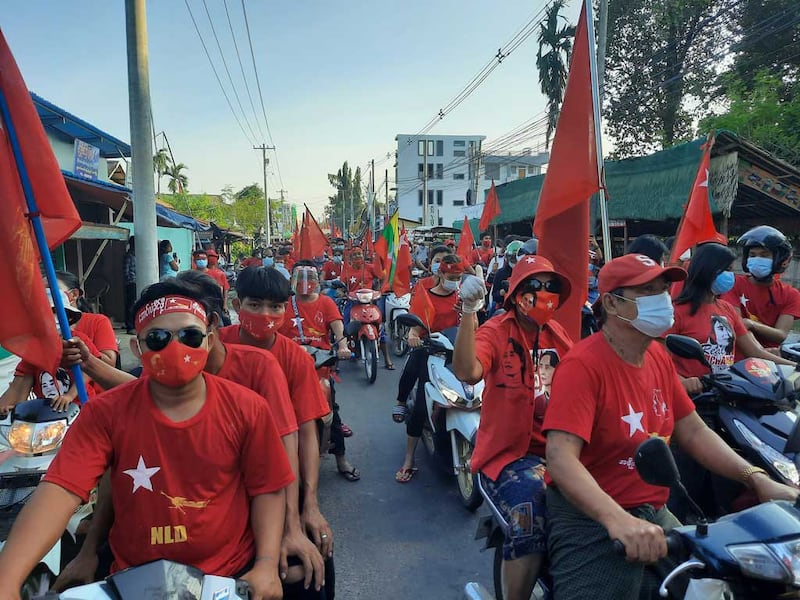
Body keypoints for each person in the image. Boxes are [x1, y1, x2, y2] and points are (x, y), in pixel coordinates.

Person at [0, 281, 294, 600]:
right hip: (132, 580)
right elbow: (59, 489)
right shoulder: (104, 413)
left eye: (190, 336)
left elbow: (267, 488)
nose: (175, 347)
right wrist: (8, 579)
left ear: (209, 342)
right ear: (138, 349)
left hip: (226, 579)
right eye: (158, 338)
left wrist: (265, 563)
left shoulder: (246, 408)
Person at [542, 253, 798, 599]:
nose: (662, 300)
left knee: (719, 580)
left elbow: (692, 430)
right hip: (591, 517)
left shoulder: (658, 357)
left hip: (653, 511)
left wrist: (757, 479)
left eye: (663, 289)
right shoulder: (583, 366)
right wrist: (617, 520)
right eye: (647, 291)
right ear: (611, 304)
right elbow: (560, 457)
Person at [453, 255, 573, 600]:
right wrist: (468, 312)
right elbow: (468, 371)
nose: (543, 293)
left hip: (565, 451)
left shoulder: (558, 334)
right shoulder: (497, 330)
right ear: (515, 293)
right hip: (509, 460)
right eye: (533, 286)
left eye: (551, 287)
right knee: (530, 521)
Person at [218, 267, 336, 596]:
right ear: (236, 303)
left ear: (286, 309)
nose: (265, 315)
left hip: (281, 478)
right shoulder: (215, 346)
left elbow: (306, 433)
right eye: (254, 305)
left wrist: (308, 504)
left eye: (275, 307)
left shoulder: (294, 358)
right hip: (224, 477)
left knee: (317, 556)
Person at [281, 262, 360, 482]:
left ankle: (341, 460)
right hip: (288, 364)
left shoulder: (326, 302)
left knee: (331, 411)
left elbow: (337, 327)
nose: (305, 284)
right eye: (300, 278)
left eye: (309, 278)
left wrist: (343, 346)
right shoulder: (284, 304)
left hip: (321, 364)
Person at [392, 254, 466, 483]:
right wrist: (414, 336)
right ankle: (409, 459)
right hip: (431, 350)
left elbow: (472, 324)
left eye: (458, 277)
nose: (455, 281)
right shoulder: (425, 297)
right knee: (422, 408)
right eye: (451, 277)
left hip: (457, 355)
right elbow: (415, 329)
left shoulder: (462, 296)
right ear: (441, 274)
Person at [0, 289, 100, 413]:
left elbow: (89, 372)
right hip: (47, 414)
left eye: (56, 312)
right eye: (46, 313)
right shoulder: (34, 349)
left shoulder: (77, 340)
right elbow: (23, 383)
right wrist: (16, 408)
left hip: (81, 408)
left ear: (68, 317)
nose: (52, 318)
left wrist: (69, 396)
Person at [721, 225, 800, 352]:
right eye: (752, 255)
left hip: (772, 362)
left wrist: (751, 324)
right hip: (738, 358)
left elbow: (781, 335)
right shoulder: (734, 283)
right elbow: (737, 325)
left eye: (764, 255)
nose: (757, 259)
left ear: (781, 260)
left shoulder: (791, 294)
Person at [55, 270, 119, 368]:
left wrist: (85, 352)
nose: (45, 296)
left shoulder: (97, 321)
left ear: (74, 294)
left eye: (51, 290)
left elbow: (110, 363)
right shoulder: (39, 327)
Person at [194, 249, 231, 325]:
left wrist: (224, 304)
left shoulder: (218, 274)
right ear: (194, 260)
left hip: (215, 305)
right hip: (198, 304)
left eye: (203, 259)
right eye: (199, 259)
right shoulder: (191, 275)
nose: (201, 261)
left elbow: (224, 289)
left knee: (218, 324)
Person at [123, 236, 136, 334]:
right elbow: (126, 271)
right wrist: (130, 280)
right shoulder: (129, 256)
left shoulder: (136, 255)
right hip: (132, 283)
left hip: (135, 282)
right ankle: (130, 326)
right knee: (130, 305)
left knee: (134, 304)